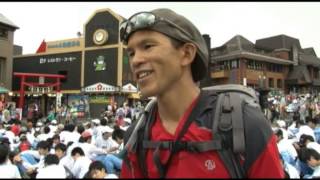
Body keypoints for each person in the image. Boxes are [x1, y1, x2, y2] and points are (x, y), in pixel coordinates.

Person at [119, 8, 284, 178]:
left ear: (187, 53)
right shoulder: (136, 137)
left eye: (147, 46)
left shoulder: (246, 124)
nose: (136, 60)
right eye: (131, 53)